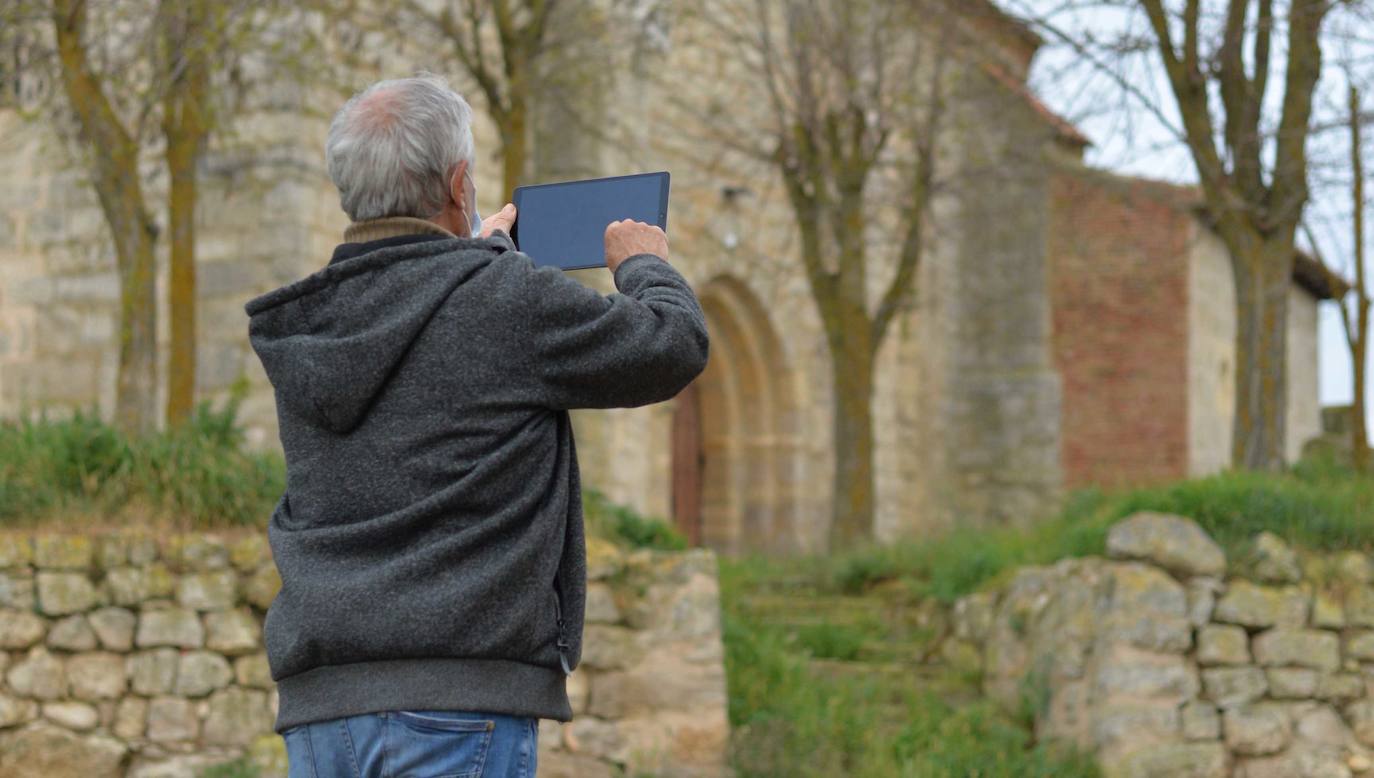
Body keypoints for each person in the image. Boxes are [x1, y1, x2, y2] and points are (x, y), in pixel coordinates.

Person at [243, 73, 709, 778]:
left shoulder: (315, 318)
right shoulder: (505, 301)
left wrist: (478, 258)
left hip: (321, 711)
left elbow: (432, 315)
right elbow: (671, 344)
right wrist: (644, 264)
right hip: (455, 705)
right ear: (459, 185)